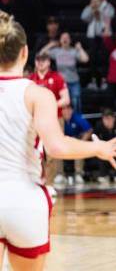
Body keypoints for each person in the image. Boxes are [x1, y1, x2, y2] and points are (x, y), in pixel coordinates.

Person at [0, 10, 116, 271]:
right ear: (25, 53)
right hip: (24, 200)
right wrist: (98, 147)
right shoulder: (37, 94)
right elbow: (56, 146)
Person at [28, 52, 70, 188]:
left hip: (54, 119)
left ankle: (50, 183)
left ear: (49, 62)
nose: (40, 62)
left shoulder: (57, 77)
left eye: (43, 60)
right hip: (35, 120)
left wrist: (50, 104)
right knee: (34, 150)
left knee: (53, 150)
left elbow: (66, 99)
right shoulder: (30, 80)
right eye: (38, 60)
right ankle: (37, 180)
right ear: (35, 62)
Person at [39, 32, 89, 113]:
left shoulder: (73, 51)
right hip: (61, 83)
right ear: (60, 40)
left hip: (74, 82)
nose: (65, 39)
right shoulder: (56, 51)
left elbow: (86, 59)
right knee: (62, 104)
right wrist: (51, 45)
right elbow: (41, 54)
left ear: (70, 40)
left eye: (67, 38)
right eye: (63, 38)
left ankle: (76, 122)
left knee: (76, 103)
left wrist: (80, 48)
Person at [81, 0, 115, 90]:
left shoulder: (108, 7)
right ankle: (94, 80)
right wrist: (92, 9)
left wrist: (99, 10)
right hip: (92, 36)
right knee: (93, 59)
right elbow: (83, 17)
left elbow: (110, 16)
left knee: (104, 59)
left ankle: (105, 80)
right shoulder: (90, 6)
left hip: (104, 36)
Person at [60, 104, 93, 188]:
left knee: (79, 150)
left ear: (72, 110)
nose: (66, 111)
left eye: (68, 109)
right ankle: (59, 174)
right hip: (63, 141)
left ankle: (78, 174)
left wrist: (81, 142)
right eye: (64, 109)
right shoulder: (58, 119)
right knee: (55, 150)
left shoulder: (77, 118)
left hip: (76, 140)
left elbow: (89, 130)